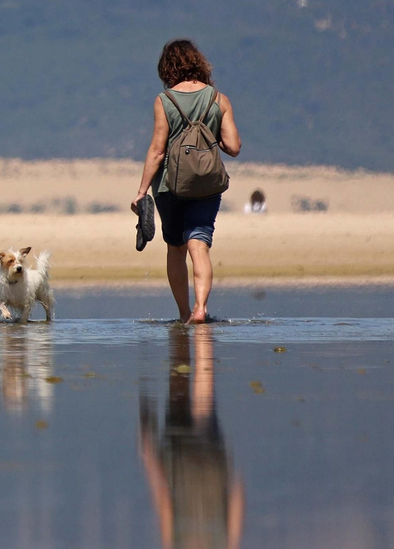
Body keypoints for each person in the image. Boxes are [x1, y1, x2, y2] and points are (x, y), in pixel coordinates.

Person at [130, 39, 241, 323]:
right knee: (199, 243)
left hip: (171, 186)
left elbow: (157, 150)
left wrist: (141, 192)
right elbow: (234, 147)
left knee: (176, 248)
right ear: (199, 63)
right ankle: (201, 309)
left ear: (167, 68)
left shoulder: (164, 101)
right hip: (207, 184)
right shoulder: (219, 99)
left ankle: (183, 314)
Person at [138, 326, 245, 549]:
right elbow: (165, 503)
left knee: (201, 399)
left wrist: (148, 453)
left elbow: (165, 502)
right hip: (190, 466)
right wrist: (149, 453)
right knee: (194, 398)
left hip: (202, 467)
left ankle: (191, 325)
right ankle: (197, 325)